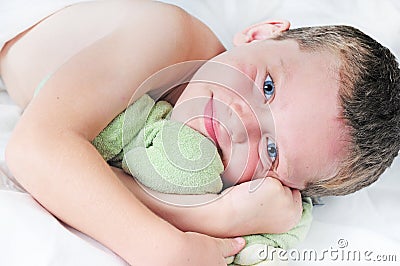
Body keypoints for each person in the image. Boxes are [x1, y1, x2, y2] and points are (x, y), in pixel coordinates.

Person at [0, 0, 399, 265]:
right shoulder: (164, 35)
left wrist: (216, 212)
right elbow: (35, 151)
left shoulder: (196, 167)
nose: (241, 122)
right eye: (267, 87)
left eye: (273, 150)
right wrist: (170, 243)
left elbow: (90, 179)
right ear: (260, 35)